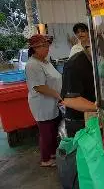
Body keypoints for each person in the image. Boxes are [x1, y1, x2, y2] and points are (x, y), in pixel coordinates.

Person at [25, 34, 62, 167]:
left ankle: (52, 153)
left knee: (52, 130)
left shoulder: (44, 61)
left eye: (47, 46)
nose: (47, 49)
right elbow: (40, 87)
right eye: (43, 46)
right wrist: (58, 95)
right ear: (34, 48)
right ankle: (46, 159)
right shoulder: (32, 65)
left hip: (51, 101)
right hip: (42, 103)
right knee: (46, 132)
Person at [61, 43, 97, 137]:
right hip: (78, 123)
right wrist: (101, 108)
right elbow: (70, 100)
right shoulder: (74, 65)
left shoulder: (96, 61)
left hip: (93, 118)